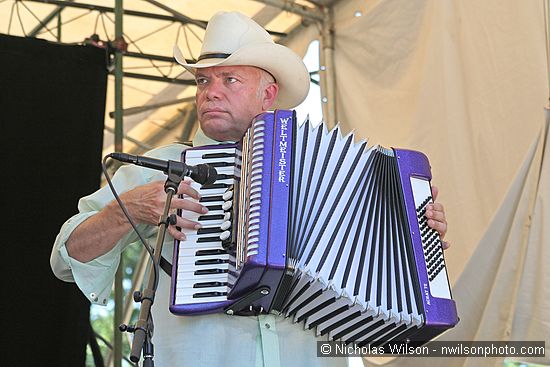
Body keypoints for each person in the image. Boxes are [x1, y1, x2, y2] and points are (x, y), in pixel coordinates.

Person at [50, 11, 450, 367]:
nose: (211, 91)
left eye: (231, 79)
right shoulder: (168, 164)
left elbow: (377, 270)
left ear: (268, 94)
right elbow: (66, 259)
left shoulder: (340, 170)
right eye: (203, 80)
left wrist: (418, 240)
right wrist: (127, 211)